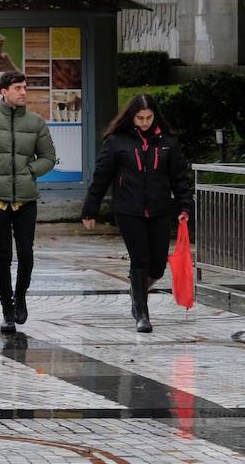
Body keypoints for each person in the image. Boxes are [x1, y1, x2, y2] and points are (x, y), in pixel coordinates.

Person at [82, 94, 194, 333]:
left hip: (159, 209)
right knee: (140, 259)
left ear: (155, 116)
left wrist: (185, 206)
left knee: (157, 267)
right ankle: (141, 312)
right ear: (131, 117)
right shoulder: (116, 141)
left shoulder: (168, 142)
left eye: (149, 117)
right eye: (140, 118)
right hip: (128, 210)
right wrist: (90, 209)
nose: (144, 122)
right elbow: (102, 177)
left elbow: (179, 178)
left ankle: (138, 288)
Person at [0, 71, 56, 333]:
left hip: (26, 200)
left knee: (26, 253)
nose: (23, 92)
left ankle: (21, 296)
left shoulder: (36, 123)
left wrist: (30, 171)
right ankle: (7, 310)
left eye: (25, 87)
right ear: (4, 92)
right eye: (18, 88)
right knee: (4, 255)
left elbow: (49, 157)